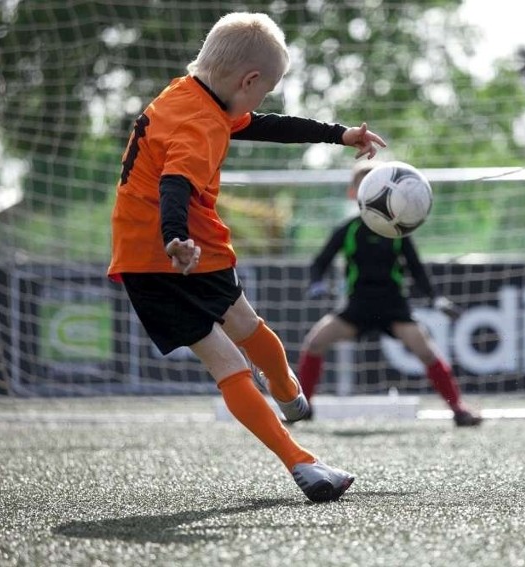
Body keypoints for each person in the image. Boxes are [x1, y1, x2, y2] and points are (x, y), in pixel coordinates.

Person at [107, 12, 387, 503]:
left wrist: (338, 134)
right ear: (248, 79)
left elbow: (261, 125)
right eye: (265, 90)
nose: (262, 101)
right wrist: (175, 239)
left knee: (246, 323)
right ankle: (301, 462)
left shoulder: (190, 95)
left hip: (181, 248)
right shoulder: (198, 123)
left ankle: (286, 392)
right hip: (166, 257)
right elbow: (175, 185)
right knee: (228, 357)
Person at [297, 162, 483, 427]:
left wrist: (436, 298)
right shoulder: (348, 229)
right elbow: (319, 263)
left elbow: (417, 270)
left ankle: (459, 409)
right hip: (357, 307)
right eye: (363, 185)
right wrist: (316, 284)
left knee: (426, 351)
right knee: (314, 342)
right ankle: (303, 407)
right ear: (354, 193)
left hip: (394, 307)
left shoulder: (398, 231)